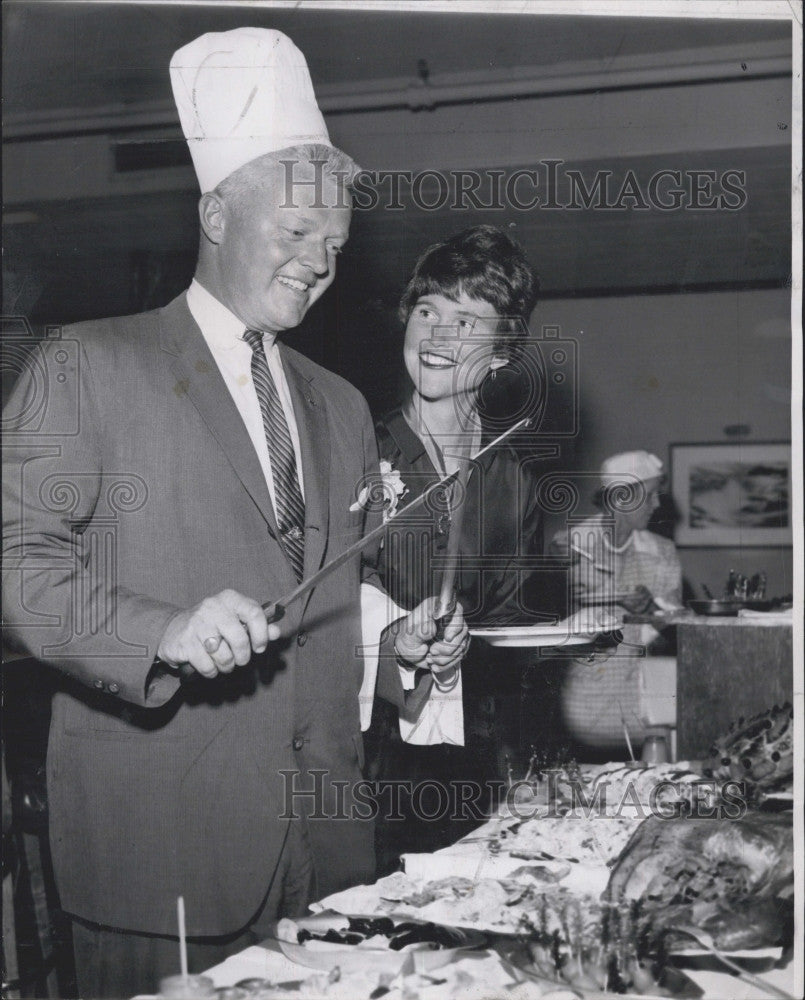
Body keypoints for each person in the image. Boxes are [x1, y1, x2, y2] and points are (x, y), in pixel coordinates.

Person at [1, 28, 467, 997]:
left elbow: (319, 607)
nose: (317, 262)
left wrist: (396, 655)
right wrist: (161, 630)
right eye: (295, 233)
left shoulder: (338, 403)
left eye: (333, 247)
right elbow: (20, 562)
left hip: (330, 851)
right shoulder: (86, 363)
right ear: (215, 210)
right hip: (159, 856)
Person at [364, 226, 554, 866]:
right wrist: (398, 637)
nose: (436, 337)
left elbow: (514, 623)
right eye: (427, 311)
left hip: (479, 754)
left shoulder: (513, 474)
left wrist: (479, 633)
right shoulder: (358, 450)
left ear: (501, 353)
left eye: (467, 322)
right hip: (369, 757)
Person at [549, 450, 683, 754]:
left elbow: (675, 628)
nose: (657, 505)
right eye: (650, 496)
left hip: (642, 704)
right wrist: (550, 574)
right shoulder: (570, 545)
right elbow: (545, 624)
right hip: (581, 703)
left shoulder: (662, 552)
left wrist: (650, 611)